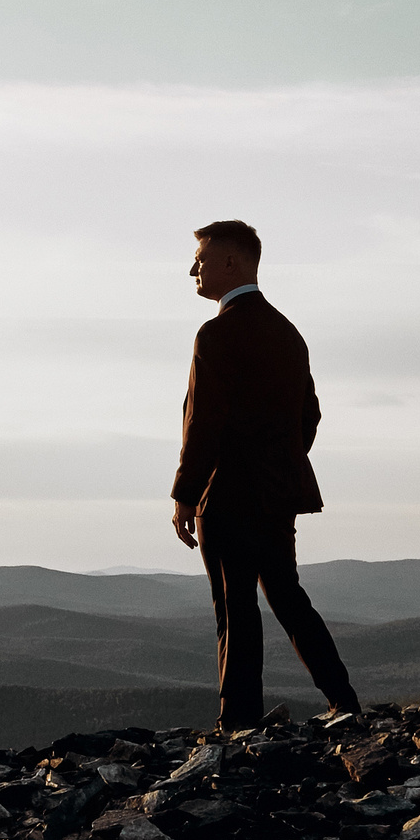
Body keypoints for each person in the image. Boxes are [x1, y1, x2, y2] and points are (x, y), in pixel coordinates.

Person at [169, 219, 360, 731]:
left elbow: (203, 422)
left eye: (201, 259)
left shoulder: (215, 333)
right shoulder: (287, 332)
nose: (192, 270)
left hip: (225, 495)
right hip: (277, 495)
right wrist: (280, 462)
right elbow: (309, 413)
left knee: (234, 608)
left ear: (231, 262)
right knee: (288, 597)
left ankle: (238, 723)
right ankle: (344, 700)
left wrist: (186, 493)